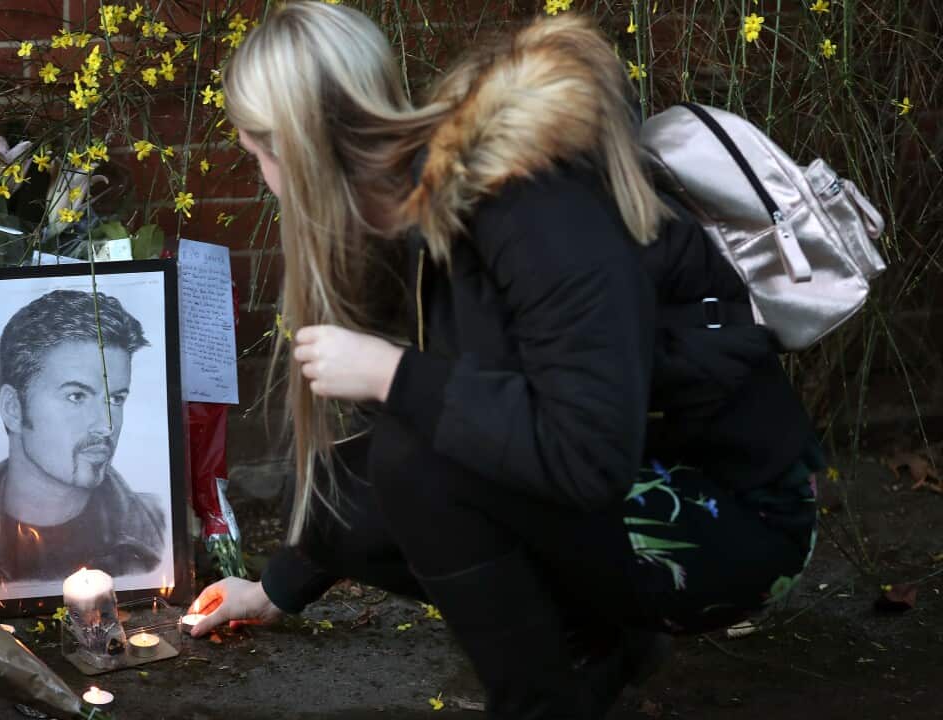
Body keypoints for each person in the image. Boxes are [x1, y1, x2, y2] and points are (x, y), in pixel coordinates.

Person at [188, 4, 824, 718]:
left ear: (297, 150)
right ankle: (607, 638)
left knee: (412, 464)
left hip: (737, 519)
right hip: (636, 476)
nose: (266, 182)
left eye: (257, 157)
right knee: (349, 482)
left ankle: (552, 693)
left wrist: (392, 374)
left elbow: (586, 454)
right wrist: (275, 590)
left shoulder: (531, 207)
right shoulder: (408, 206)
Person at [0, 289, 167, 586]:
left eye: (116, 399)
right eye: (76, 396)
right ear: (13, 408)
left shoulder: (156, 535)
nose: (106, 425)